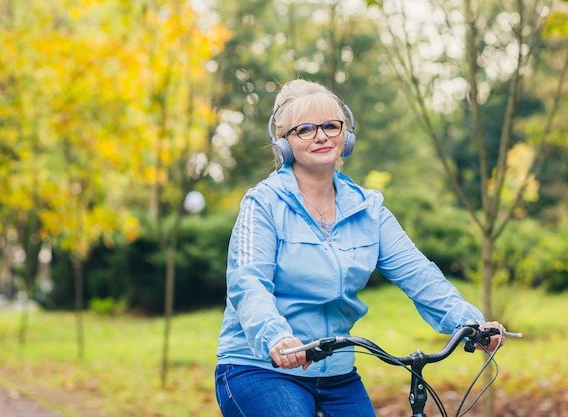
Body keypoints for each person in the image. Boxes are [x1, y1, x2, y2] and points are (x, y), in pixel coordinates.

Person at [215, 79, 506, 417]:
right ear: (284, 143)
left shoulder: (369, 209)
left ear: (346, 135)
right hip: (261, 367)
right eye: (305, 129)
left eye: (330, 126)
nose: (321, 136)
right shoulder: (263, 204)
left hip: (337, 373)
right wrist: (276, 338)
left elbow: (419, 273)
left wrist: (469, 321)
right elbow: (248, 282)